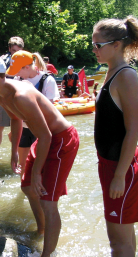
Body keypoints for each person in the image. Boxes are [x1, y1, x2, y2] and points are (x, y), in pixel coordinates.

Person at [0, 53, 79, 257]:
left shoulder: (21, 96)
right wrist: (15, 152)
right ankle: (42, 230)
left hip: (61, 140)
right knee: (27, 187)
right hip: (45, 138)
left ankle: (48, 253)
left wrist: (37, 173)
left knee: (48, 201)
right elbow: (16, 120)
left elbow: (46, 136)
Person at [93, 16, 138, 256]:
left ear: (117, 45)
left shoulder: (126, 76)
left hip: (120, 167)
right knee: (124, 236)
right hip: (109, 164)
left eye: (98, 45)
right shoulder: (112, 73)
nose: (94, 50)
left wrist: (120, 175)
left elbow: (134, 129)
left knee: (118, 242)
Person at [12, 50, 60, 175]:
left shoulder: (47, 80)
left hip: (42, 129)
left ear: (27, 67)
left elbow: (49, 108)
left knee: (40, 170)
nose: (16, 74)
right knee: (23, 168)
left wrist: (30, 90)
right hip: (25, 128)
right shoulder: (18, 79)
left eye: (18, 70)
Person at [0, 36, 24, 155]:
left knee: (19, 128)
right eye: (13, 51)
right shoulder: (1, 60)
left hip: (18, 97)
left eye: (18, 51)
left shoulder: (25, 60)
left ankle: (16, 153)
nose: (15, 53)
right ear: (9, 49)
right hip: (2, 96)